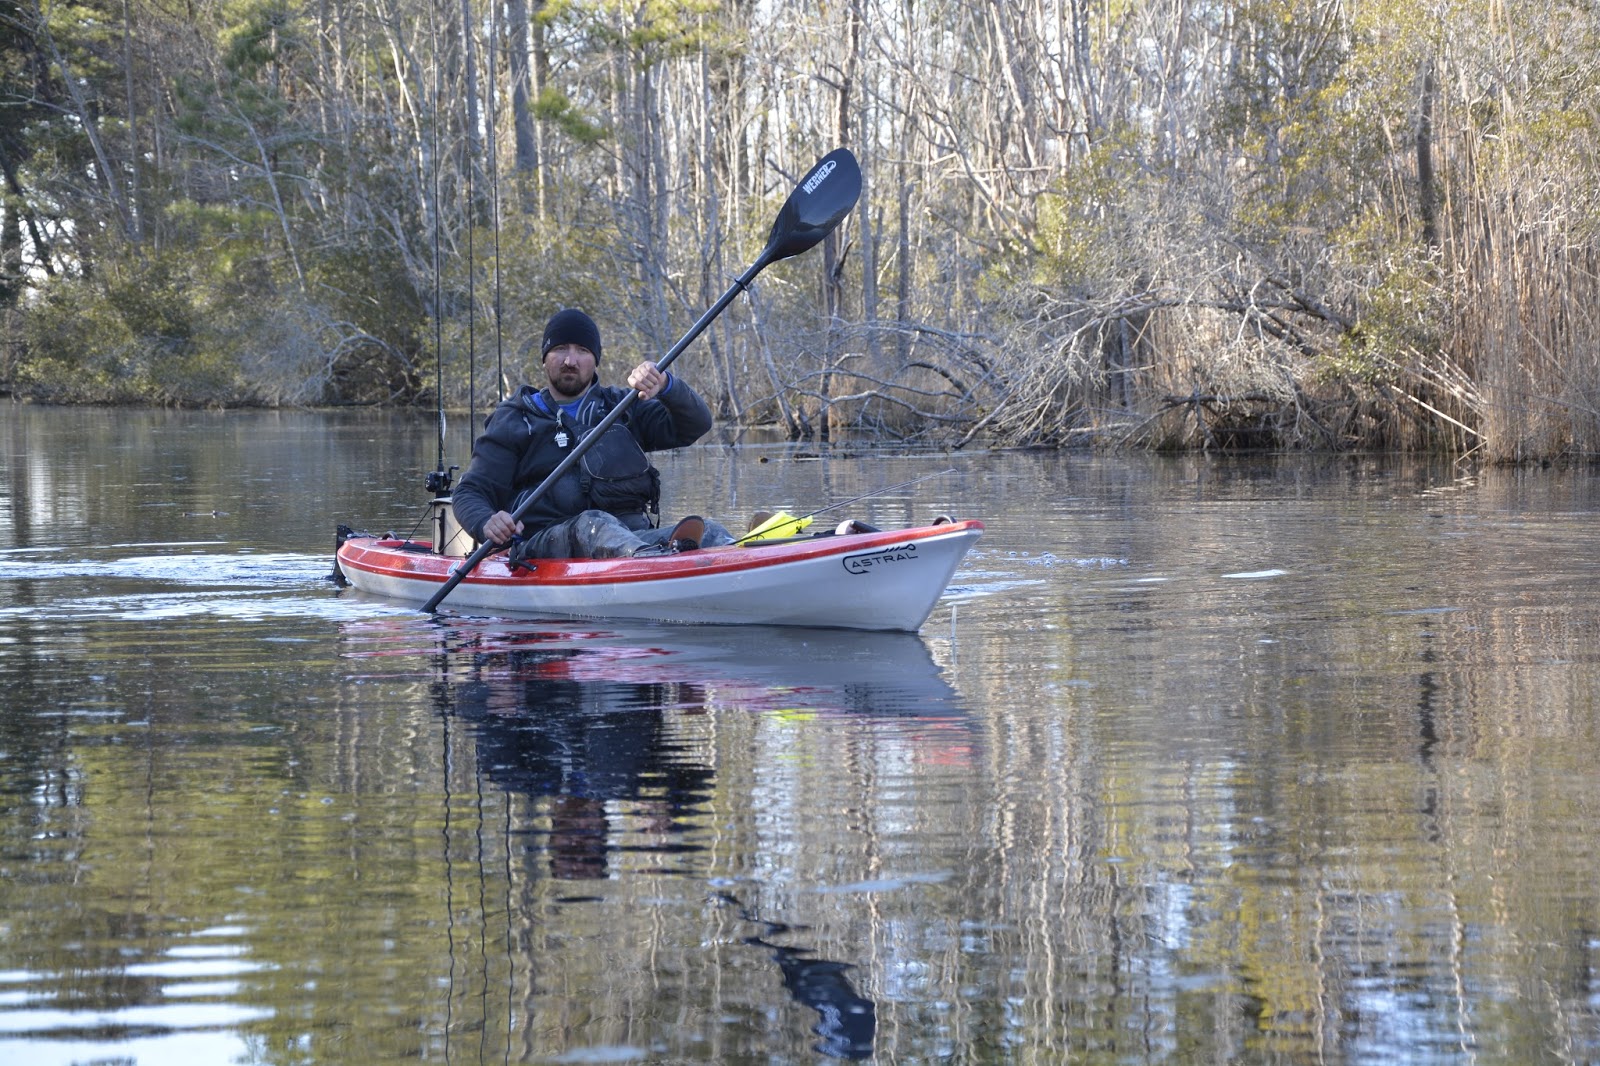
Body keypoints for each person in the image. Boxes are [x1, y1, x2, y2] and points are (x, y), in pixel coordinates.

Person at [452, 308, 733, 562]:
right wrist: (486, 521)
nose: (570, 360)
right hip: (545, 544)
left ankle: (742, 558)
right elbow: (469, 492)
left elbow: (695, 424)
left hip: (632, 541)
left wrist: (667, 385)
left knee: (709, 531)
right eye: (560, 349)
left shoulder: (623, 407)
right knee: (594, 524)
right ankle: (661, 565)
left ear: (595, 359)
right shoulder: (515, 419)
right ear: (545, 359)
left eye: (582, 351)